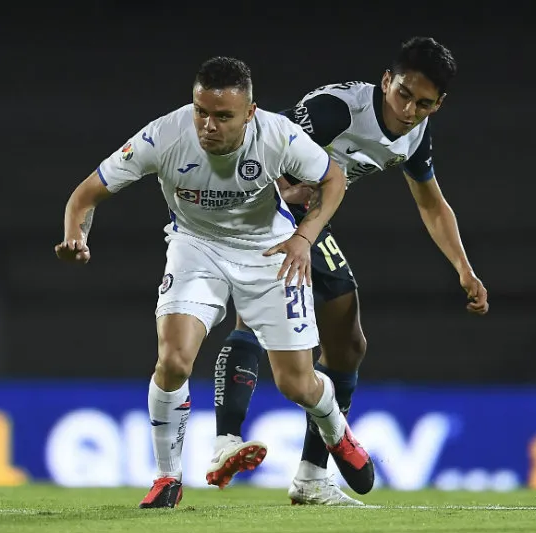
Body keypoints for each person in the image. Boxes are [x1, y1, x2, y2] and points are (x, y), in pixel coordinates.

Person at [55, 56, 374, 509]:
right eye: (201, 111)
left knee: (296, 384)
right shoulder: (164, 135)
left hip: (268, 250)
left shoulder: (278, 135)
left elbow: (332, 177)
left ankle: (338, 433)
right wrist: (75, 236)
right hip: (195, 247)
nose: (208, 125)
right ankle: (167, 478)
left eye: (223, 116)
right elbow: (86, 194)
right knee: (173, 361)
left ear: (250, 113)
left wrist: (305, 237)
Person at [208, 37, 490, 505]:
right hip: (260, 206)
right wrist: (279, 192)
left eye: (423, 103)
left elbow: (431, 203)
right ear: (386, 80)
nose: (408, 110)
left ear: (438, 104)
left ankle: (305, 474)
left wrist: (464, 268)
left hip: (307, 217)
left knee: (346, 343)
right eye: (403, 94)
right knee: (261, 319)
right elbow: (259, 144)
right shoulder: (335, 110)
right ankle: (232, 445)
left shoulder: (416, 133)